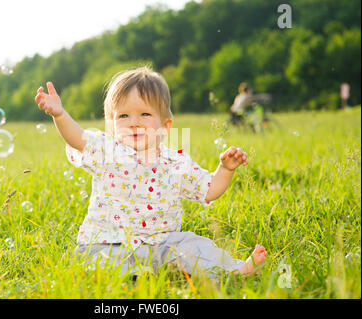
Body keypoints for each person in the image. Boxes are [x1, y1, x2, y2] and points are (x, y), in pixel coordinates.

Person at [34, 67, 267, 280]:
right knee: (103, 261)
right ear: (112, 126)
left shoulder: (176, 163)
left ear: (165, 125)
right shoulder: (108, 151)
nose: (134, 123)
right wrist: (60, 115)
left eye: (144, 115)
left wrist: (225, 169)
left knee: (193, 246)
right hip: (111, 242)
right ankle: (131, 279)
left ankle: (235, 269)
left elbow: (209, 190)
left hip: (162, 243)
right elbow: (78, 139)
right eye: (123, 116)